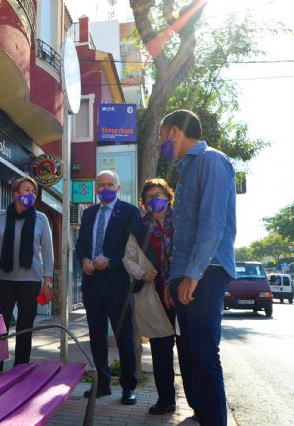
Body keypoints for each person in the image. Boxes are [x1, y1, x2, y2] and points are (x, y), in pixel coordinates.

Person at [159, 109, 236, 425]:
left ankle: (215, 419)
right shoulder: (185, 169)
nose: (163, 145)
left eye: (164, 138)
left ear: (175, 132)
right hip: (184, 274)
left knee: (204, 352)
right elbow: (181, 233)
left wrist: (192, 274)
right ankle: (201, 414)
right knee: (188, 350)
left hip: (206, 270)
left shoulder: (211, 161)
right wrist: (172, 279)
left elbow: (212, 222)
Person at [123, 178, 195, 415]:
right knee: (161, 351)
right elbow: (128, 259)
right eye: (150, 197)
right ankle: (166, 400)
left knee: (189, 350)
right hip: (154, 296)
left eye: (159, 195)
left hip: (184, 293)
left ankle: (197, 403)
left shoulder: (184, 221)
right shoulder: (138, 228)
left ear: (168, 196)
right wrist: (143, 273)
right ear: (144, 203)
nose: (156, 200)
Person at [75, 170, 141, 405]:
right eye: (101, 185)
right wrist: (84, 260)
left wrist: (111, 261)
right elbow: (81, 243)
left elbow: (133, 248)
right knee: (96, 335)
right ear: (95, 188)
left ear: (118, 187)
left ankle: (128, 387)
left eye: (110, 184)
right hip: (93, 283)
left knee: (124, 336)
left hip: (119, 284)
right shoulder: (89, 213)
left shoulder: (131, 212)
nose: (105, 188)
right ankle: (102, 384)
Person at [0, 176, 54, 373]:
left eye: (33, 191)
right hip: (4, 280)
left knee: (25, 328)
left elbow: (48, 252)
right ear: (15, 194)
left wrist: (47, 282)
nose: (30, 194)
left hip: (31, 281)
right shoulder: (0, 217)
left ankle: (20, 370)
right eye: (26, 190)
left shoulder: (41, 219)